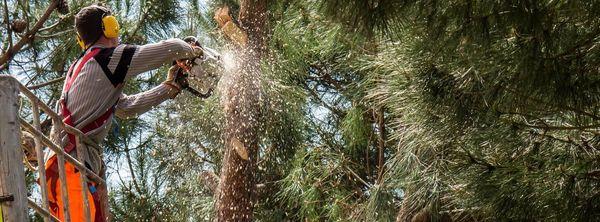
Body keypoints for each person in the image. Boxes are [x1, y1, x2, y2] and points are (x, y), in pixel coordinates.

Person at [44, 4, 201, 222]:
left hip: (63, 165)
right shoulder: (108, 58)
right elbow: (171, 47)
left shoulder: (86, 66)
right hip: (72, 163)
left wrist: (170, 87)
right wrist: (192, 49)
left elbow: (127, 108)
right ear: (109, 27)